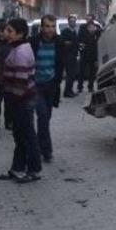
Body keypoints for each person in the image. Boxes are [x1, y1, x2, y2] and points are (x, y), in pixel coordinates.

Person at [0, 18, 41, 184]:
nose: (6, 34)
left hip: (22, 101)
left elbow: (21, 83)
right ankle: (17, 169)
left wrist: (12, 101)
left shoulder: (21, 52)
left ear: (20, 34)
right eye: (6, 30)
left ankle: (34, 170)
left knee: (27, 136)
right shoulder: (17, 48)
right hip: (18, 101)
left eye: (10, 31)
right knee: (20, 135)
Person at [30, 15, 64, 163]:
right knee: (42, 117)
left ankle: (38, 147)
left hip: (51, 86)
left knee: (46, 119)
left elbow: (61, 63)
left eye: (52, 26)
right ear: (42, 27)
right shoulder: (34, 42)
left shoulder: (59, 42)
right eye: (47, 26)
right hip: (36, 85)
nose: (50, 29)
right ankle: (46, 151)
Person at [77, 14, 102, 93]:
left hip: (93, 52)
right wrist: (81, 48)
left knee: (92, 71)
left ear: (93, 19)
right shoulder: (82, 27)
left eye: (90, 19)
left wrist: (95, 31)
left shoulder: (96, 26)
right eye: (87, 19)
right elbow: (79, 38)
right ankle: (80, 87)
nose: (88, 21)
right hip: (84, 52)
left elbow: (101, 35)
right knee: (81, 71)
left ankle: (90, 87)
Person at [60, 14, 80, 98]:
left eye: (74, 21)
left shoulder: (74, 31)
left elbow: (76, 43)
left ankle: (70, 90)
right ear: (68, 22)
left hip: (74, 55)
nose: (73, 23)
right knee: (69, 74)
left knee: (73, 74)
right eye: (71, 21)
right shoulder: (65, 31)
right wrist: (69, 43)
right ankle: (67, 92)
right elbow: (63, 42)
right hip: (68, 56)